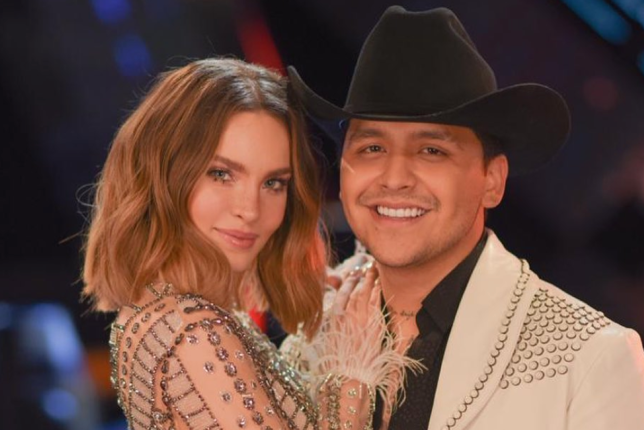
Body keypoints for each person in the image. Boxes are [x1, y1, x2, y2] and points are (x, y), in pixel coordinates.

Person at [286, 6, 644, 430]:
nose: (394, 178)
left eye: (432, 150)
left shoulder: (587, 357)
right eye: (372, 148)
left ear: (492, 180)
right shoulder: (313, 327)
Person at [81, 58, 416, 430]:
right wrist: (349, 371)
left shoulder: (159, 310)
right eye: (221, 174)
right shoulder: (195, 333)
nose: (250, 210)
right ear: (164, 175)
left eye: (273, 183)